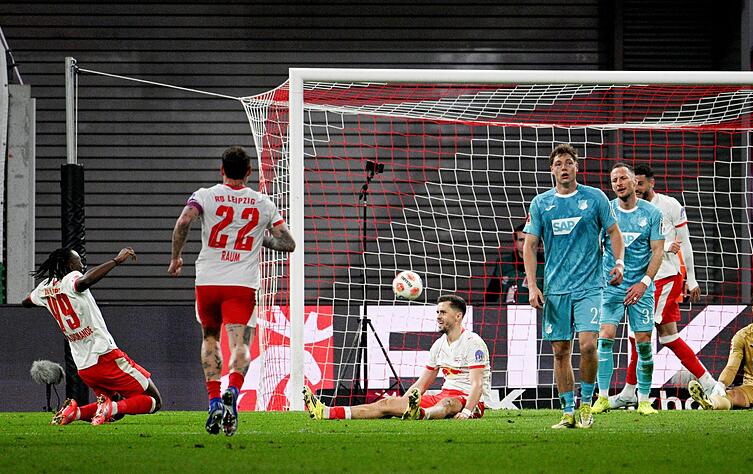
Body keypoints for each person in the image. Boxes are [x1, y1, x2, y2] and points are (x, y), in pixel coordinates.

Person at [169, 145, 296, 436]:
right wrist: (260, 239)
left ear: (222, 170)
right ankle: (233, 391)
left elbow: (184, 221)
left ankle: (214, 400)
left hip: (208, 280)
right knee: (240, 344)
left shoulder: (205, 195)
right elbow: (288, 243)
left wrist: (176, 258)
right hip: (241, 283)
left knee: (210, 338)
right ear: (249, 172)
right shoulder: (263, 203)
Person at [524, 143, 625, 429]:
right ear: (552, 170)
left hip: (589, 286)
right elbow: (529, 246)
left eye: (569, 162)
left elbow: (614, 232)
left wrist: (619, 263)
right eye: (558, 164)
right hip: (556, 289)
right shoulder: (541, 203)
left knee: (589, 345)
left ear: (576, 167)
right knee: (560, 351)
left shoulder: (595, 198)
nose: (564, 168)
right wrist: (532, 286)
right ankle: (567, 411)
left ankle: (586, 405)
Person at [607, 163, 718, 409]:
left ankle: (630, 392)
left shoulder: (669, 206)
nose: (636, 186)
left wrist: (692, 279)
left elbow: (685, 242)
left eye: (640, 183)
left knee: (638, 335)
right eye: (634, 182)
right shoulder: (626, 210)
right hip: (643, 280)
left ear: (651, 183)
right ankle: (710, 383)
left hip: (664, 278)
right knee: (669, 337)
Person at [21, 247, 162, 426]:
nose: (82, 265)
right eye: (78, 261)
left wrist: (49, 297)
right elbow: (85, 281)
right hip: (104, 354)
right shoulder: (71, 278)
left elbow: (26, 302)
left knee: (115, 410)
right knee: (154, 400)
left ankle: (75, 413)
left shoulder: (43, 289)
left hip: (84, 366)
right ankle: (109, 408)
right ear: (69, 265)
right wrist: (116, 260)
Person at [303, 295, 492, 420]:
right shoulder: (439, 345)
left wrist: (467, 411)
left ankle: (422, 414)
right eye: (437, 312)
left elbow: (477, 385)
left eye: (443, 312)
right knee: (387, 403)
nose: (438, 316)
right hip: (445, 394)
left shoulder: (473, 343)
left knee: (448, 404)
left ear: (458, 316)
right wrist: (403, 403)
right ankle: (327, 412)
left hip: (470, 401)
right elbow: (422, 384)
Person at [590, 164, 664, 416]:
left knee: (643, 343)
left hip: (640, 288)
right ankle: (602, 397)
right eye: (614, 180)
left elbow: (658, 252)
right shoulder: (606, 211)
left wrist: (644, 283)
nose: (619, 183)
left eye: (623, 178)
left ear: (634, 182)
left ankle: (643, 400)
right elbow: (595, 247)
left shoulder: (652, 213)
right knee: (605, 336)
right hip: (610, 286)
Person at [484, 222, 544, 304]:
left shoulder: (546, 264)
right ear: (515, 242)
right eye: (521, 240)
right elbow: (491, 296)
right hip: (506, 310)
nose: (525, 243)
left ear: (538, 242)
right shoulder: (503, 264)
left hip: (537, 309)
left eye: (528, 240)